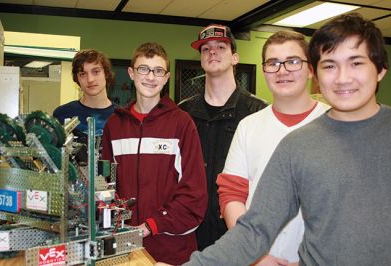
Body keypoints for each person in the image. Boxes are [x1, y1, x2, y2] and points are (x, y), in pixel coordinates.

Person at [157, 12, 390, 265]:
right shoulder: (297, 143)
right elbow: (253, 229)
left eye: (356, 63)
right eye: (330, 65)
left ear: (380, 69)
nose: (343, 77)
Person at [217, 30, 329, 266]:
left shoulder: (335, 123)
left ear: (311, 69)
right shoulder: (248, 126)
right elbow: (232, 195)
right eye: (273, 63)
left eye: (293, 61)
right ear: (264, 70)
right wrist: (255, 255)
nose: (282, 70)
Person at [101, 42, 207, 265]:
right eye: (143, 69)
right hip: (125, 248)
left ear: (167, 77)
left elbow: (194, 195)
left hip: (172, 250)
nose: (151, 77)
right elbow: (106, 185)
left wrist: (152, 225)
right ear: (131, 73)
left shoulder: (182, 123)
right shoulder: (114, 125)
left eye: (158, 71)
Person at [179, 24, 267, 251]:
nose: (212, 52)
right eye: (205, 49)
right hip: (190, 231)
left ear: (235, 58)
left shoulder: (258, 112)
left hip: (238, 231)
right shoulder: (183, 113)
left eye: (220, 46)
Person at [53, 49, 117, 144]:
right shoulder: (62, 114)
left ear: (106, 74)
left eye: (96, 72)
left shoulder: (121, 117)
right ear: (77, 79)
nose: (90, 79)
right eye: (83, 74)